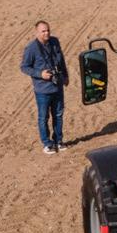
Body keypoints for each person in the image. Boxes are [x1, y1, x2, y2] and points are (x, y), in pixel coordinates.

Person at [21, 20, 69, 154]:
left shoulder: (55, 42)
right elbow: (24, 67)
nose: (46, 33)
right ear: (36, 32)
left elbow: (61, 60)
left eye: (48, 30)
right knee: (43, 118)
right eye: (43, 31)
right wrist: (40, 74)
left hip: (57, 86)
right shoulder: (31, 48)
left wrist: (65, 76)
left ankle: (58, 141)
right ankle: (47, 144)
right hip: (42, 90)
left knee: (58, 115)